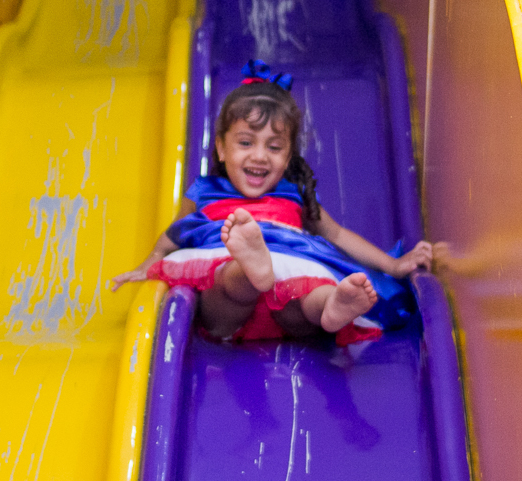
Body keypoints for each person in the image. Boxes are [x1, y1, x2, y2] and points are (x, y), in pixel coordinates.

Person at [113, 60, 432, 345]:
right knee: (228, 281)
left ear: (289, 155)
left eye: (274, 146)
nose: (259, 156)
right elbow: (174, 236)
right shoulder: (206, 191)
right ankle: (251, 269)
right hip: (227, 269)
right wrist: (148, 266)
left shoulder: (293, 193)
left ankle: (332, 307)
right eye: (246, 142)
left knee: (309, 294)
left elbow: (335, 235)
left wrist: (393, 265)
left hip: (288, 270)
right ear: (221, 148)